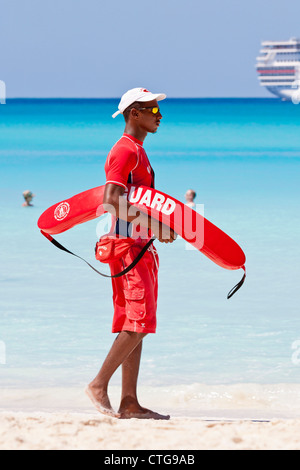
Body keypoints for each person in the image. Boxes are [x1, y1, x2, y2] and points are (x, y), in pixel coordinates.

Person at [85, 88, 176, 420]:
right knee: (137, 323)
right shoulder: (124, 151)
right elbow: (111, 200)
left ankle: (129, 402)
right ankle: (98, 384)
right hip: (127, 248)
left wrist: (156, 229)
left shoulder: (137, 151)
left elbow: (136, 200)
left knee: (138, 323)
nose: (159, 115)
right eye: (153, 109)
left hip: (139, 247)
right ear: (134, 113)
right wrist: (157, 225)